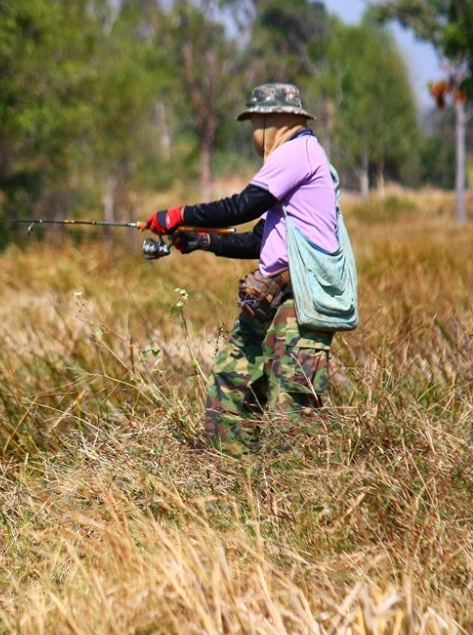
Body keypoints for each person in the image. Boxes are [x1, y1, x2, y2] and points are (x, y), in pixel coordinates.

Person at [139, 82, 341, 455]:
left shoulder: (298, 151)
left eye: (254, 122)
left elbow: (241, 206)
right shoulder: (288, 167)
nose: (253, 133)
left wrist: (179, 214)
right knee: (231, 380)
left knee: (290, 414)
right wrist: (202, 240)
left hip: (301, 302)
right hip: (269, 297)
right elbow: (259, 240)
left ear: (273, 120)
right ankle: (229, 475)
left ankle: (289, 495)